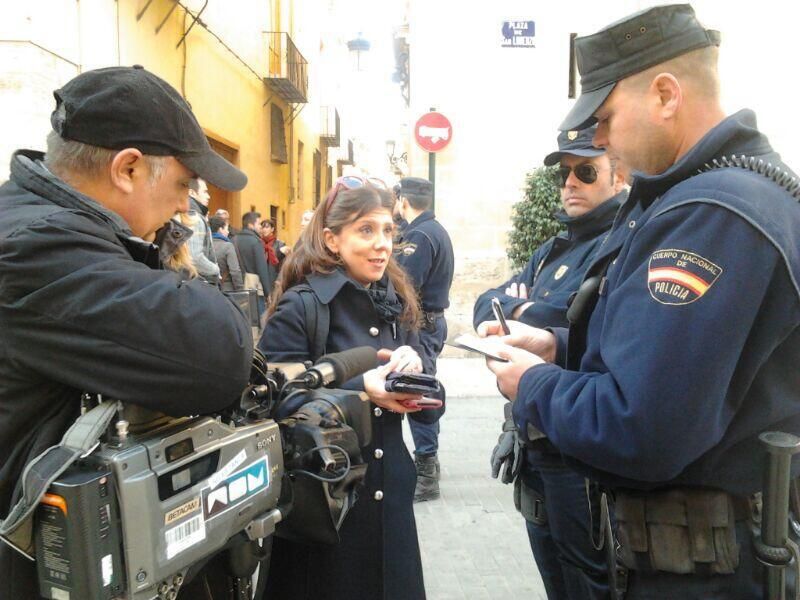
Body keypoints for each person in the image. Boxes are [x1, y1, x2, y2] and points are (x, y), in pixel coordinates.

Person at [482, 4, 800, 598]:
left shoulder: (710, 215)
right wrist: (561, 344)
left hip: (706, 573)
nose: (598, 137)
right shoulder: (708, 196)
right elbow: (688, 362)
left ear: (665, 94)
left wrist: (533, 385)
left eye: (604, 116)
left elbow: (639, 428)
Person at [0, 65, 251, 600]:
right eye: (184, 183)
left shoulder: (49, 228)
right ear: (128, 169)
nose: (186, 205)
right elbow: (219, 353)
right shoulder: (33, 247)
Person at [259, 179, 440, 600]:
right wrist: (363, 391)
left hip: (390, 502)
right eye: (365, 230)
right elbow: (272, 404)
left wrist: (416, 380)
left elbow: (434, 404)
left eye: (388, 231)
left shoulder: (395, 301)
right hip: (326, 505)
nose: (382, 245)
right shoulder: (301, 306)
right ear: (331, 239)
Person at [474, 125, 626, 600]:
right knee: (553, 572)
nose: (570, 184)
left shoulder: (620, 244)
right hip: (533, 437)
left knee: (588, 577)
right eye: (565, 175)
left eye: (585, 171)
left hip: (576, 449)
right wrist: (530, 309)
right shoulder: (553, 250)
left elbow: (588, 324)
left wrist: (523, 309)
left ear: (617, 177)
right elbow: (485, 303)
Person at [394, 176, 454, 502]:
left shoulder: (419, 234)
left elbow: (405, 286)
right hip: (430, 322)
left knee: (419, 393)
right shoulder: (435, 230)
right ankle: (429, 463)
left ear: (403, 200)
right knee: (421, 387)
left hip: (421, 325)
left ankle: (427, 472)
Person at [234, 211, 272, 317]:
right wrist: (267, 292)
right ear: (251, 225)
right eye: (259, 224)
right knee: (258, 320)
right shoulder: (255, 242)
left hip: (238, 287)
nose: (260, 227)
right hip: (254, 288)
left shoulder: (234, 240)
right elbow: (262, 268)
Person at [187, 177, 220, 284]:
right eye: (205, 192)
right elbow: (195, 258)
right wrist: (215, 269)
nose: (208, 196)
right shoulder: (194, 217)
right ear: (192, 193)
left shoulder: (188, 215)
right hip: (198, 282)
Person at [210, 215, 244, 291]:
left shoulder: (205, 244)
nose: (228, 231)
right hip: (226, 288)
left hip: (209, 289)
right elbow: (235, 271)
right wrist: (240, 289)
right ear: (220, 229)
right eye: (226, 228)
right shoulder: (227, 246)